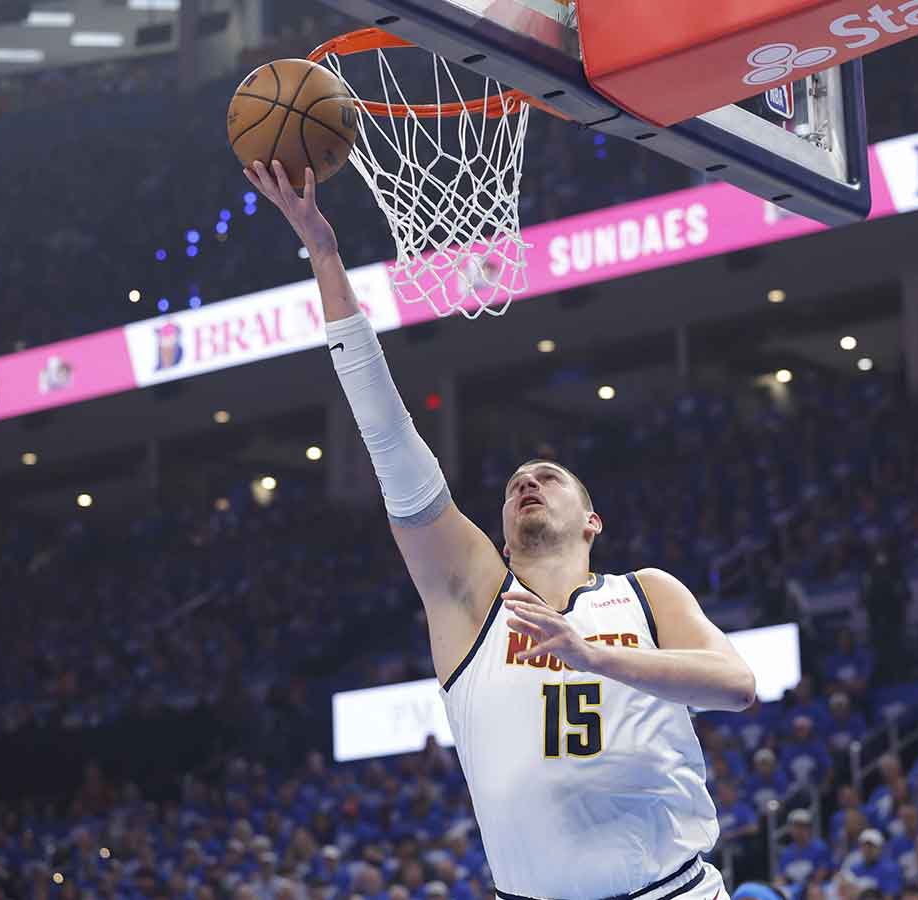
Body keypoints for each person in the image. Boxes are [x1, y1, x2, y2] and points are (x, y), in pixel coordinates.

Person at [246, 160, 756, 900]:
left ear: (592, 521)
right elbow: (389, 440)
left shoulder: (646, 594)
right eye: (517, 482)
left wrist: (598, 658)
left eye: (549, 477)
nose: (528, 481)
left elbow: (738, 686)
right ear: (502, 531)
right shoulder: (472, 602)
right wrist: (324, 256)